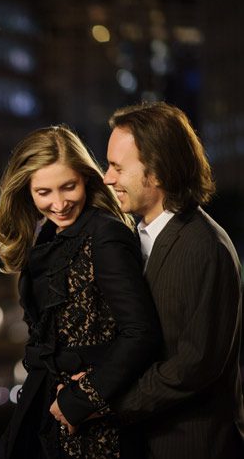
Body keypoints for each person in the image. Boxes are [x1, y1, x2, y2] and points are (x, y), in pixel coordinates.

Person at [0, 125, 161, 458]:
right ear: (26, 190)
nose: (59, 203)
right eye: (44, 192)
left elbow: (142, 333)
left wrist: (81, 398)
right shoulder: (47, 237)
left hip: (93, 423)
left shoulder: (105, 234)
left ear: (86, 178)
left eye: (68, 186)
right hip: (49, 407)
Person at [97, 101, 244, 458]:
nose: (107, 177)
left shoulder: (204, 246)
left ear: (158, 172)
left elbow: (194, 366)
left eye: (117, 167)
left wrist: (107, 405)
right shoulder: (137, 237)